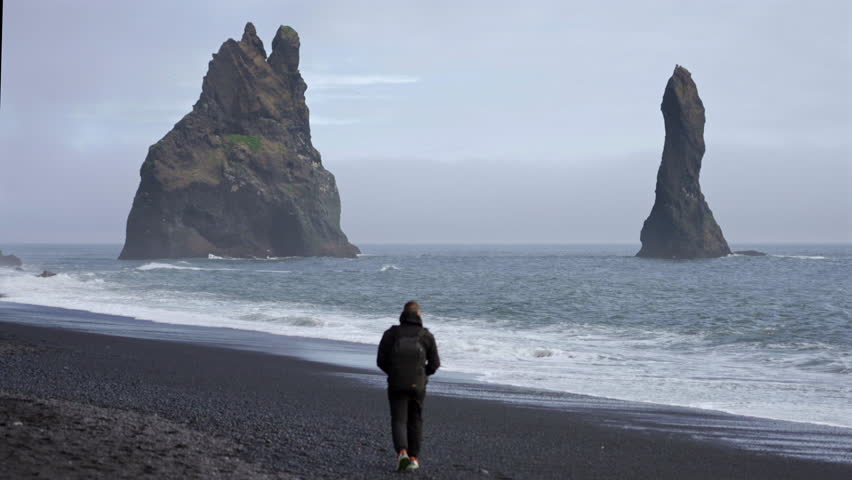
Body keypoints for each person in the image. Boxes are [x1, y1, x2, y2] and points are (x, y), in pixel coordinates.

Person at [376, 300, 441, 471]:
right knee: (415, 420)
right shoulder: (426, 335)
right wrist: (422, 374)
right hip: (418, 385)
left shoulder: (391, 334)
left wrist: (394, 373)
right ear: (419, 314)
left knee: (398, 420)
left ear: (403, 314)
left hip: (396, 383)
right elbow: (435, 364)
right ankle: (413, 458)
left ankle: (402, 453)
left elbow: (380, 361)